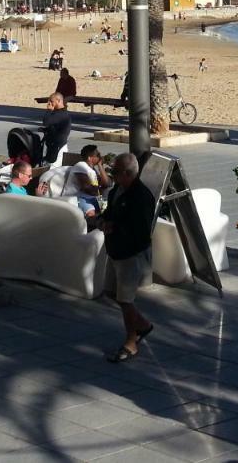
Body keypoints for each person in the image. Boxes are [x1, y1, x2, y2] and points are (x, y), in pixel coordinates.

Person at [99, 153, 155, 363]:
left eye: (115, 171)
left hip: (131, 255)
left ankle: (131, 342)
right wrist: (104, 221)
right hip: (115, 251)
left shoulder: (141, 197)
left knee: (125, 300)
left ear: (128, 173)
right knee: (111, 293)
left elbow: (141, 231)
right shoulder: (117, 191)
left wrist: (116, 228)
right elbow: (111, 212)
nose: (112, 174)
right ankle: (143, 325)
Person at [61, 144, 104, 215]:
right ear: (89, 158)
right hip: (78, 198)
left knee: (108, 211)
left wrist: (100, 165)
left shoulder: (92, 170)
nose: (100, 157)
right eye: (98, 155)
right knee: (91, 214)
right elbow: (86, 187)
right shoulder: (80, 165)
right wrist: (100, 187)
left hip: (93, 197)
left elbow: (107, 183)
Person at [42, 93, 72, 166]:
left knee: (53, 168)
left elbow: (46, 121)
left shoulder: (62, 114)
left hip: (58, 147)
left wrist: (48, 110)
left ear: (58, 101)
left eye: (52, 101)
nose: (49, 103)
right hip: (53, 146)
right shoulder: (58, 113)